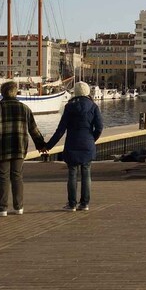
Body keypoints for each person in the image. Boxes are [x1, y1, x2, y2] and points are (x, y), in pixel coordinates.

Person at [0, 80, 47, 217]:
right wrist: (41, 145)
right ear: (15, 92)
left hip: (0, 149)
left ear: (2, 93)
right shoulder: (24, 109)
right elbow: (34, 130)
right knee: (17, 177)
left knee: (3, 178)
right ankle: (19, 207)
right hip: (19, 147)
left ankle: (2, 209)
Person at [43, 81, 103, 212]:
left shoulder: (69, 107)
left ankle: (72, 204)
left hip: (72, 143)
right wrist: (92, 139)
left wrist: (49, 146)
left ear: (75, 92)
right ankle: (85, 204)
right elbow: (99, 127)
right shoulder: (93, 106)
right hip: (87, 143)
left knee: (72, 174)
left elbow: (61, 130)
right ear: (87, 92)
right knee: (86, 174)